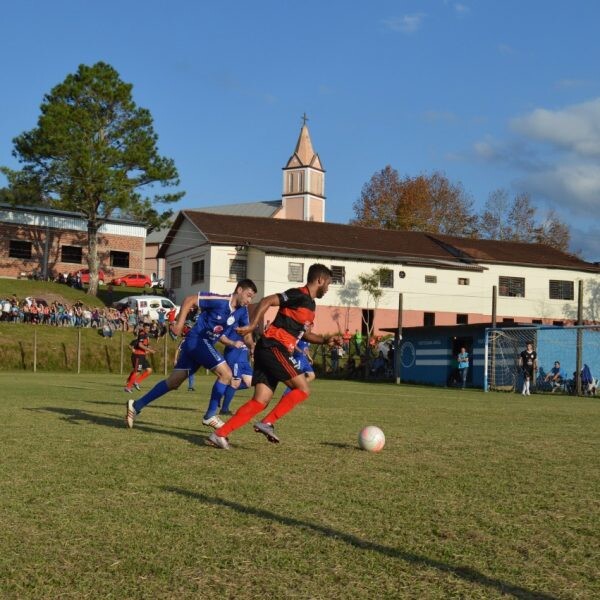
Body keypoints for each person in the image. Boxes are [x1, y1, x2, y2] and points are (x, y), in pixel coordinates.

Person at [208, 263, 338, 450]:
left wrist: (326, 340)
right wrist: (253, 326)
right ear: (320, 280)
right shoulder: (298, 294)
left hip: (269, 349)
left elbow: (306, 334)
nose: (327, 289)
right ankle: (267, 423)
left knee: (260, 401)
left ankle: (219, 434)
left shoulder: (310, 305)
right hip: (274, 347)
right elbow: (267, 301)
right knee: (303, 389)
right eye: (328, 284)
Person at [125, 279, 257, 429]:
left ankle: (136, 405)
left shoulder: (242, 312)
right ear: (239, 290)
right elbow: (190, 300)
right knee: (226, 374)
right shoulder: (220, 300)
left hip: (203, 346)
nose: (249, 300)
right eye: (248, 295)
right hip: (197, 340)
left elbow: (246, 333)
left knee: (174, 382)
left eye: (252, 298)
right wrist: (180, 324)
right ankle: (210, 415)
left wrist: (252, 345)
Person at [219, 328, 255, 416]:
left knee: (249, 383)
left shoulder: (247, 327)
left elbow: (249, 341)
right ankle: (224, 409)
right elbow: (221, 337)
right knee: (235, 383)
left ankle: (221, 392)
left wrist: (252, 347)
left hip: (244, 361)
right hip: (234, 359)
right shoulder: (231, 325)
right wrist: (233, 343)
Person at [124, 322, 156, 392]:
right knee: (137, 372)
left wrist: (151, 348)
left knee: (149, 370)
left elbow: (144, 345)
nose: (148, 329)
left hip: (143, 355)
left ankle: (136, 382)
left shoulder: (146, 335)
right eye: (146, 328)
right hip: (138, 355)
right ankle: (128, 387)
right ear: (143, 328)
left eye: (148, 328)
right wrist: (149, 350)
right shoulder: (142, 334)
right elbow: (140, 345)